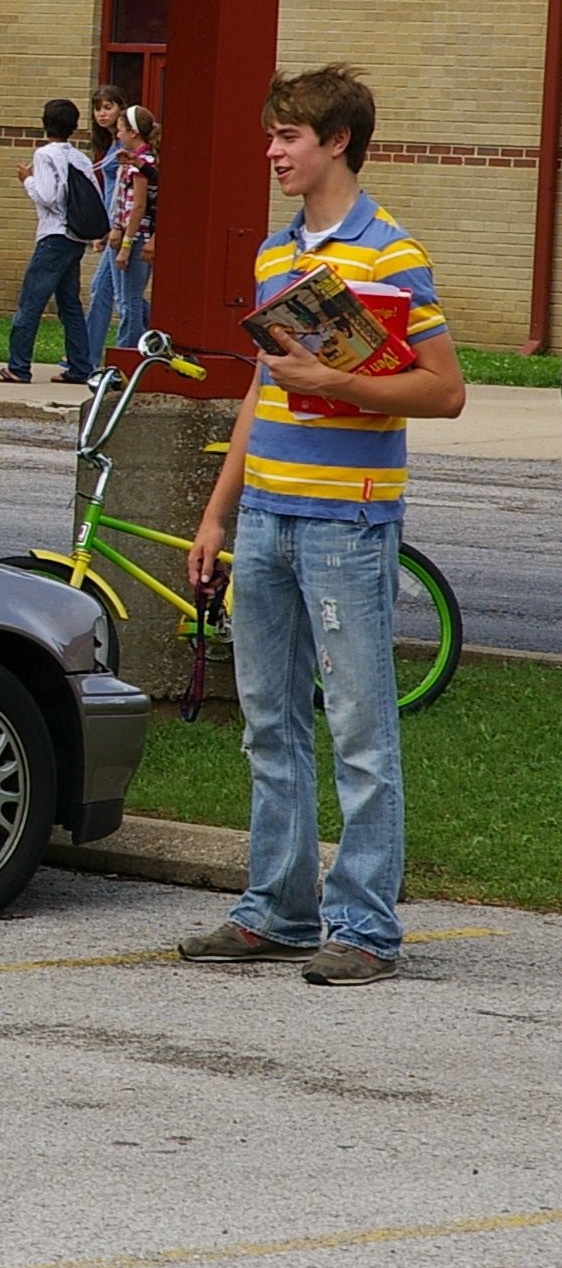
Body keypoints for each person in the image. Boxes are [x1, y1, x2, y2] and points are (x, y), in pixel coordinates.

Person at [182, 66, 465, 988]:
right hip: (266, 514)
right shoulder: (275, 257)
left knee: (359, 729)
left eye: (288, 137)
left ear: (337, 141)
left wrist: (337, 381)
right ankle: (276, 912)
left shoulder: (391, 253)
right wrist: (217, 514)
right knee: (268, 722)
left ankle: (367, 929)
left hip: (348, 520)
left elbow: (445, 390)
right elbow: (263, 393)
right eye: (272, 136)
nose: (272, 152)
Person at [0, 98, 99, 386]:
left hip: (54, 236)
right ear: (74, 126)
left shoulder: (45, 155)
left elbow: (47, 197)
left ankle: (18, 367)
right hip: (75, 237)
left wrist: (27, 179)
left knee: (31, 302)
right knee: (70, 305)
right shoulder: (81, 158)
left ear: (45, 123)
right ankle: (80, 366)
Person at [98, 104, 158, 351]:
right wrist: (115, 226)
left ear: (133, 133)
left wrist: (126, 244)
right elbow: (122, 202)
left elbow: (138, 206)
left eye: (121, 130)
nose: (118, 134)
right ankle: (146, 342)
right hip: (126, 233)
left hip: (137, 236)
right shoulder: (131, 161)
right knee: (124, 298)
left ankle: (128, 351)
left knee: (129, 301)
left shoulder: (143, 164)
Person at [82, 86, 130, 347]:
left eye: (108, 107)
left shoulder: (124, 145)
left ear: (121, 108)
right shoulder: (111, 143)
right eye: (98, 108)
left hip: (121, 228)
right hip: (110, 226)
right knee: (101, 289)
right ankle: (88, 355)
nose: (102, 113)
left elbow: (124, 189)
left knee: (125, 297)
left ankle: (134, 345)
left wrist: (116, 227)